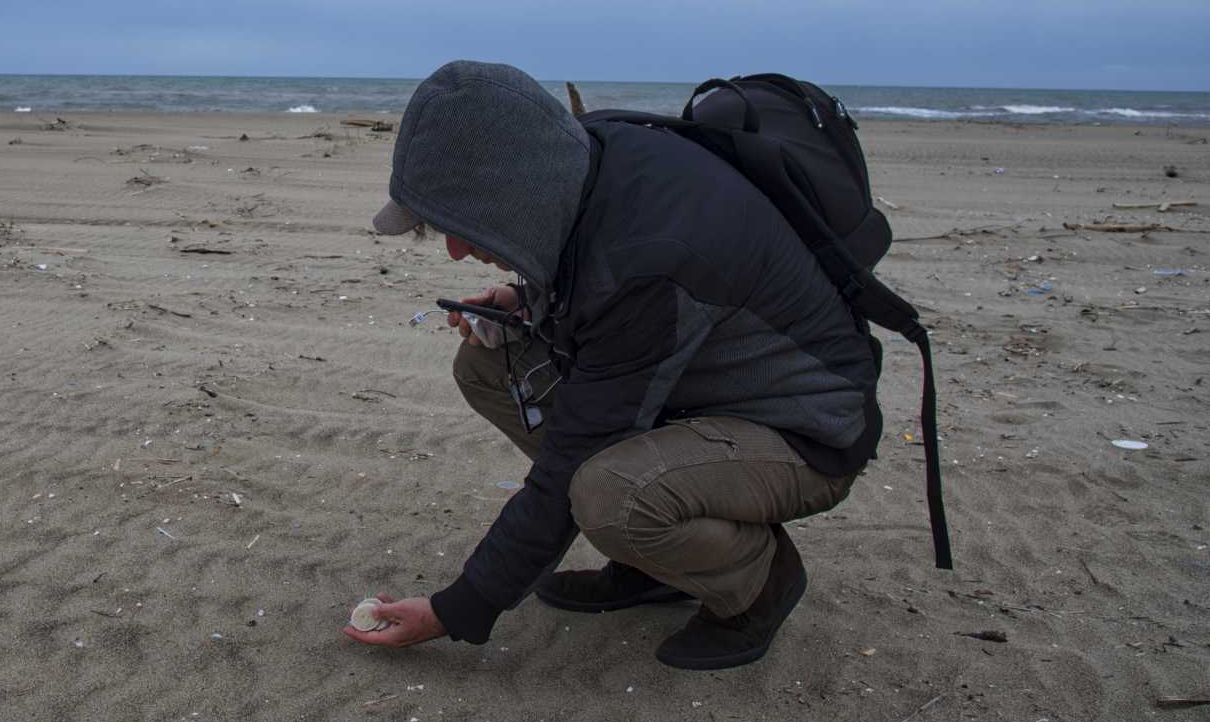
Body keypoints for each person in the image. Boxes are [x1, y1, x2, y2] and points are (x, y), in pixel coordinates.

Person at [342, 60, 881, 669]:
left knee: (609, 493)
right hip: (698, 393)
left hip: (803, 432)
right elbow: (606, 295)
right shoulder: (587, 157)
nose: (456, 249)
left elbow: (578, 443)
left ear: (514, 193)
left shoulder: (651, 254)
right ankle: (658, 567)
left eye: (465, 225)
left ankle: (759, 583)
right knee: (489, 366)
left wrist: (457, 609)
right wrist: (525, 302)